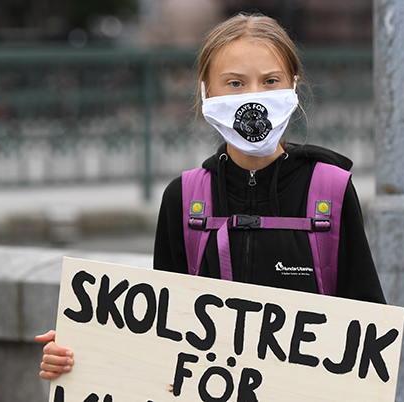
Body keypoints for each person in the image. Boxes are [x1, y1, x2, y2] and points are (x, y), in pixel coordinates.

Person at [36, 12, 385, 380]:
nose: (254, 97)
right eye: (235, 83)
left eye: (270, 81)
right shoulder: (183, 199)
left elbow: (366, 341)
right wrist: (85, 349)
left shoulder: (331, 192)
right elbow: (160, 333)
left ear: (292, 87)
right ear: (207, 92)